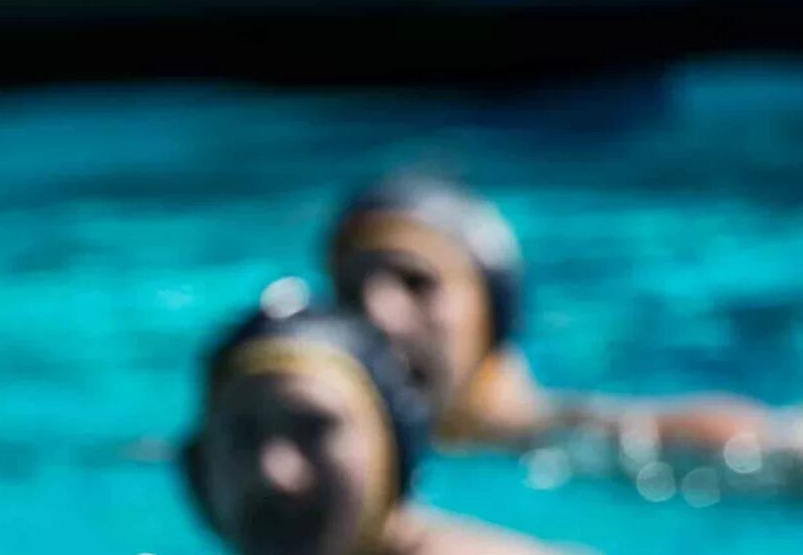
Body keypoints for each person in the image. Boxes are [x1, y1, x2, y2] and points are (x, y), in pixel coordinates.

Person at [183, 297, 803, 555]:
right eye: (241, 436)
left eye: (315, 429)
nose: (275, 471)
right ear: (198, 471)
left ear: (394, 454)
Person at [326, 171, 797, 469]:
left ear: (494, 307)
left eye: (416, 283)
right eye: (351, 290)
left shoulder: (612, 445)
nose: (377, 314)